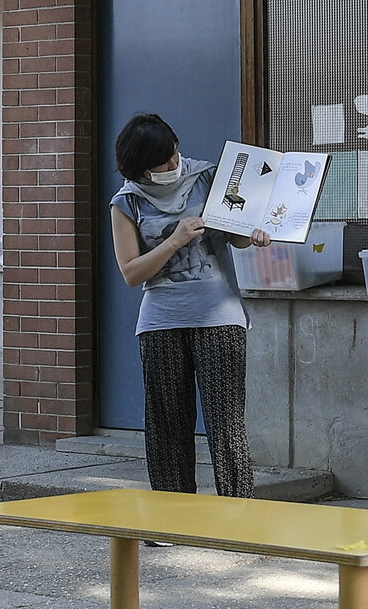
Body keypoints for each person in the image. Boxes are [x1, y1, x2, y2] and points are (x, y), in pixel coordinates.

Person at [106, 114, 269, 499]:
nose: (173, 164)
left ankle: (237, 515)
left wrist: (256, 232)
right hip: (161, 320)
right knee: (167, 425)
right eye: (162, 161)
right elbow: (131, 273)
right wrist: (175, 240)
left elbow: (237, 237)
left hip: (219, 315)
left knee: (225, 422)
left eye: (175, 153)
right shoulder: (126, 202)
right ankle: (171, 516)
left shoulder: (209, 178)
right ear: (140, 166)